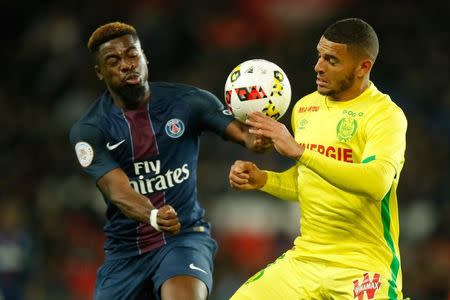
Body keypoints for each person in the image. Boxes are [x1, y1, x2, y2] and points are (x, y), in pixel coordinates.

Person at [69, 21, 270, 300]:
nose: (126, 64)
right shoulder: (90, 130)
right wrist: (153, 215)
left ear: (144, 57)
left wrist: (255, 140)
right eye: (113, 60)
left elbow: (242, 134)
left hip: (184, 237)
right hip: (126, 252)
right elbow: (118, 190)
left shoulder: (188, 101)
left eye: (131, 54)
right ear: (99, 72)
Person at [228, 18, 408, 299]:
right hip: (305, 261)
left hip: (361, 266)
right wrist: (263, 179)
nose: (318, 66)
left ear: (363, 67)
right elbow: (306, 181)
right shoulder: (305, 108)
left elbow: (377, 182)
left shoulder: (385, 115)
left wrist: (300, 152)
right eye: (319, 55)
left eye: (332, 60)